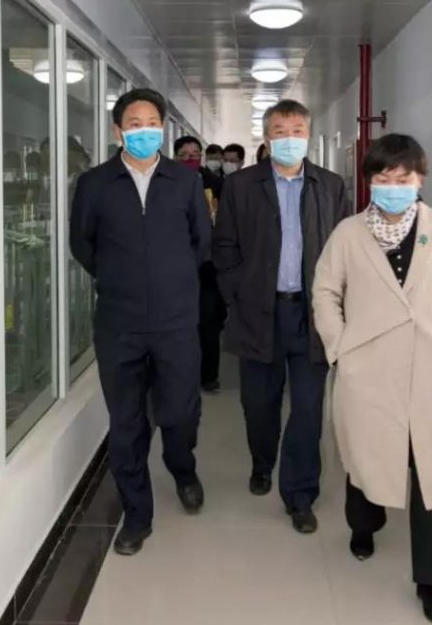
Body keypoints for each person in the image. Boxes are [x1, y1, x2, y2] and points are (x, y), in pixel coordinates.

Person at [311, 134, 432, 625]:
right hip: (368, 367)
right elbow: (326, 292)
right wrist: (340, 346)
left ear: (420, 180)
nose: (392, 187)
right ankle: (364, 524)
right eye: (383, 178)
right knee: (368, 456)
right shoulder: (348, 233)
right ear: (369, 181)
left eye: (403, 178)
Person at [70, 88, 211, 556]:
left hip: (176, 320)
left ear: (163, 129)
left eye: (152, 123)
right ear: (118, 131)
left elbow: (201, 243)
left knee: (180, 412)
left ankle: (182, 468)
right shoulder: (95, 184)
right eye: (134, 124)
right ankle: (137, 513)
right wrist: (121, 277)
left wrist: (169, 279)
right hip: (120, 323)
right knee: (126, 421)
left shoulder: (185, 181)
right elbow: (83, 246)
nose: (144, 131)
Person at [213, 99, 351, 534]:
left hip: (311, 315)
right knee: (259, 404)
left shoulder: (330, 186)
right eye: (279, 131)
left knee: (308, 409)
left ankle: (300, 495)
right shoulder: (241, 186)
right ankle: (262, 461)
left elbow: (345, 250)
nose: (289, 138)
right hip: (258, 312)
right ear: (267, 138)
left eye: (296, 131)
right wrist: (237, 293)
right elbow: (223, 246)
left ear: (308, 135)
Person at [174, 135, 227, 394]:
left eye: (195, 155)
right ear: (175, 157)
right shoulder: (166, 183)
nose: (190, 159)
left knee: (208, 320)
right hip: (176, 264)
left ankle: (208, 375)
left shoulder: (215, 183)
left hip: (208, 264)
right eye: (184, 155)